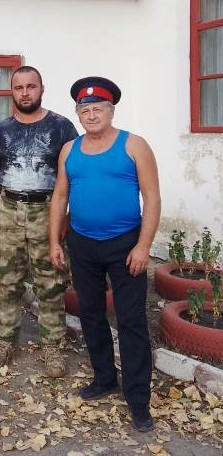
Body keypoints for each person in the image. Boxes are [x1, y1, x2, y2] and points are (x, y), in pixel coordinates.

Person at [49, 76, 160, 432]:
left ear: (111, 111)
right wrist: (55, 241)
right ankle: (104, 378)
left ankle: (138, 398)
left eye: (98, 108)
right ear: (78, 114)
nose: (92, 114)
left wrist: (143, 246)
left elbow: (153, 199)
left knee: (131, 321)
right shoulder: (70, 149)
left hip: (126, 245)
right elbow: (60, 197)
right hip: (82, 243)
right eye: (85, 109)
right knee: (92, 314)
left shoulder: (134, 145)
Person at [0, 66, 78, 377]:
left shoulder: (62, 128)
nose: (25, 92)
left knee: (50, 282)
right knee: (6, 280)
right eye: (19, 87)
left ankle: (52, 347)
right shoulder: (0, 130)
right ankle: (6, 341)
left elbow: (72, 176)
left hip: (46, 210)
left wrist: (66, 217)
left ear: (42, 89)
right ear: (12, 91)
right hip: (8, 208)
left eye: (31, 86)